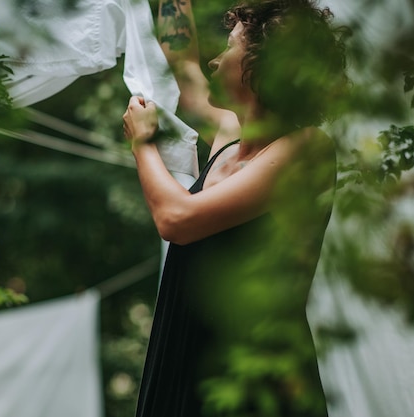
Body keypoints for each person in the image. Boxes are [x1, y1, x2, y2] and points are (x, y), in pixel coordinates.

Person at [122, 1, 348, 416]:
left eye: (228, 47)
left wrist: (143, 145)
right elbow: (187, 72)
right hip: (185, 352)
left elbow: (177, 218)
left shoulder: (308, 149)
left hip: (252, 379)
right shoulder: (230, 133)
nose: (214, 59)